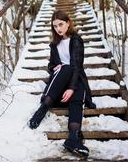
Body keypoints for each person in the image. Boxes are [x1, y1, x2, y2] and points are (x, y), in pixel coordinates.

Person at [28, 10, 96, 157]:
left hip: (74, 84)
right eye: (55, 26)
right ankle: (43, 108)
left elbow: (77, 66)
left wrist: (71, 88)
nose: (58, 28)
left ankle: (73, 138)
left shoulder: (76, 40)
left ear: (68, 23)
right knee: (64, 68)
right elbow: (50, 66)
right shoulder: (54, 45)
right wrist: (55, 67)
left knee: (78, 92)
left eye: (61, 24)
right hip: (57, 88)